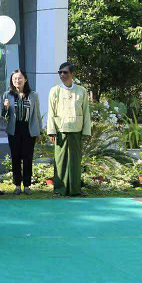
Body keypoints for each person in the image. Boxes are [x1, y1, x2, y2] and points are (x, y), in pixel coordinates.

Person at [47, 62, 91, 197]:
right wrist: (51, 131)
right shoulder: (55, 90)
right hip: (60, 130)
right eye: (60, 72)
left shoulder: (82, 90)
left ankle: (75, 189)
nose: (62, 75)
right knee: (60, 161)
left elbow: (86, 112)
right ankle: (59, 190)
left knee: (75, 161)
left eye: (65, 72)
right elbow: (51, 111)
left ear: (73, 74)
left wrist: (86, 131)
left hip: (76, 130)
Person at [3, 70, 43, 195]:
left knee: (27, 158)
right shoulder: (7, 94)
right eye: (14, 79)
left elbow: (37, 114)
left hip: (29, 129)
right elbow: (4, 116)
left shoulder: (33, 95)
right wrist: (5, 107)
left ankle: (27, 185)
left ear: (25, 79)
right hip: (14, 130)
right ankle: (17, 185)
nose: (17, 81)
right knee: (15, 158)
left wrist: (39, 132)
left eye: (19, 78)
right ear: (12, 81)